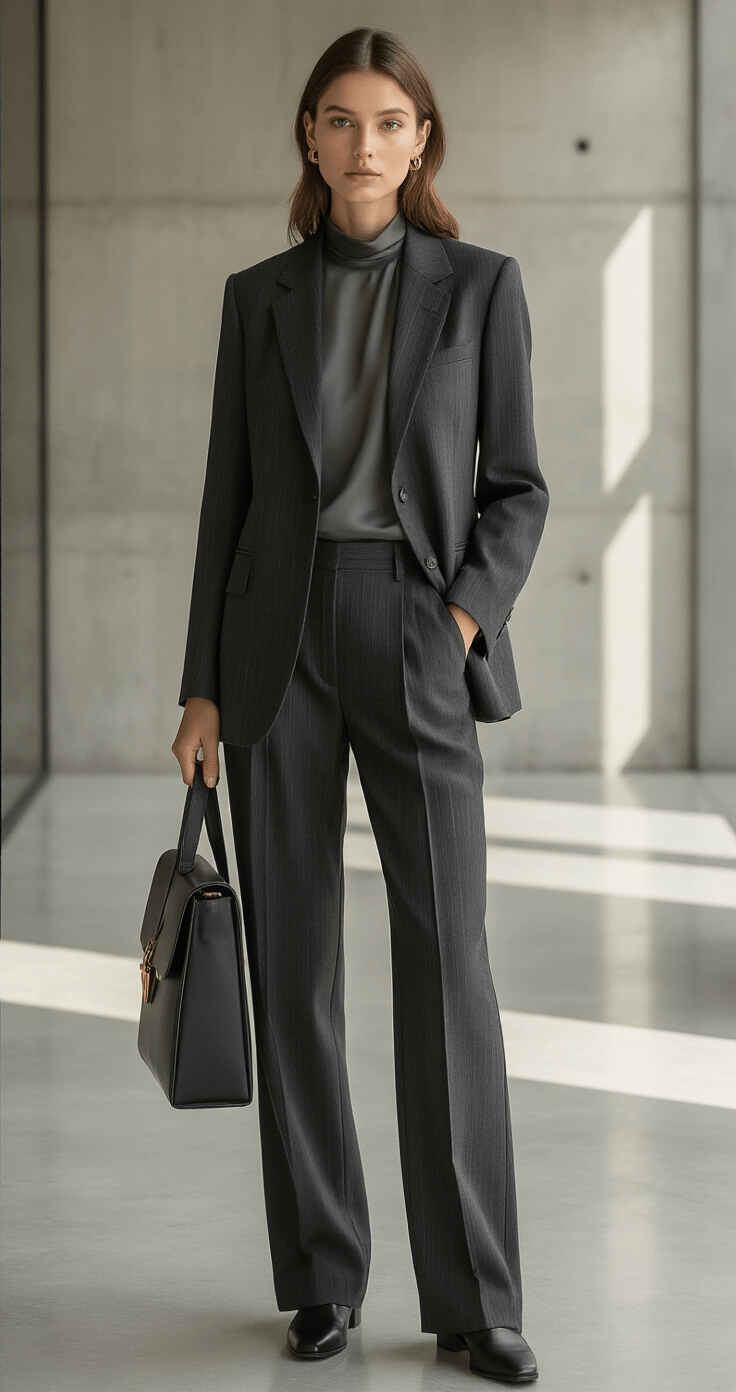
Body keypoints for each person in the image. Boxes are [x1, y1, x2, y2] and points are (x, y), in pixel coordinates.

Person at [172, 26, 549, 1385]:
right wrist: (202, 684)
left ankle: (475, 1298)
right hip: (277, 647)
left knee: (450, 964)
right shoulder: (256, 297)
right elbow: (230, 503)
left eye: (389, 122)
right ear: (310, 140)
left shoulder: (481, 288)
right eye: (339, 120)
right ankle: (321, 1277)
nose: (364, 145)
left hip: (413, 630)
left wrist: (457, 620)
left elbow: (520, 488)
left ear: (423, 140)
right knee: (298, 975)